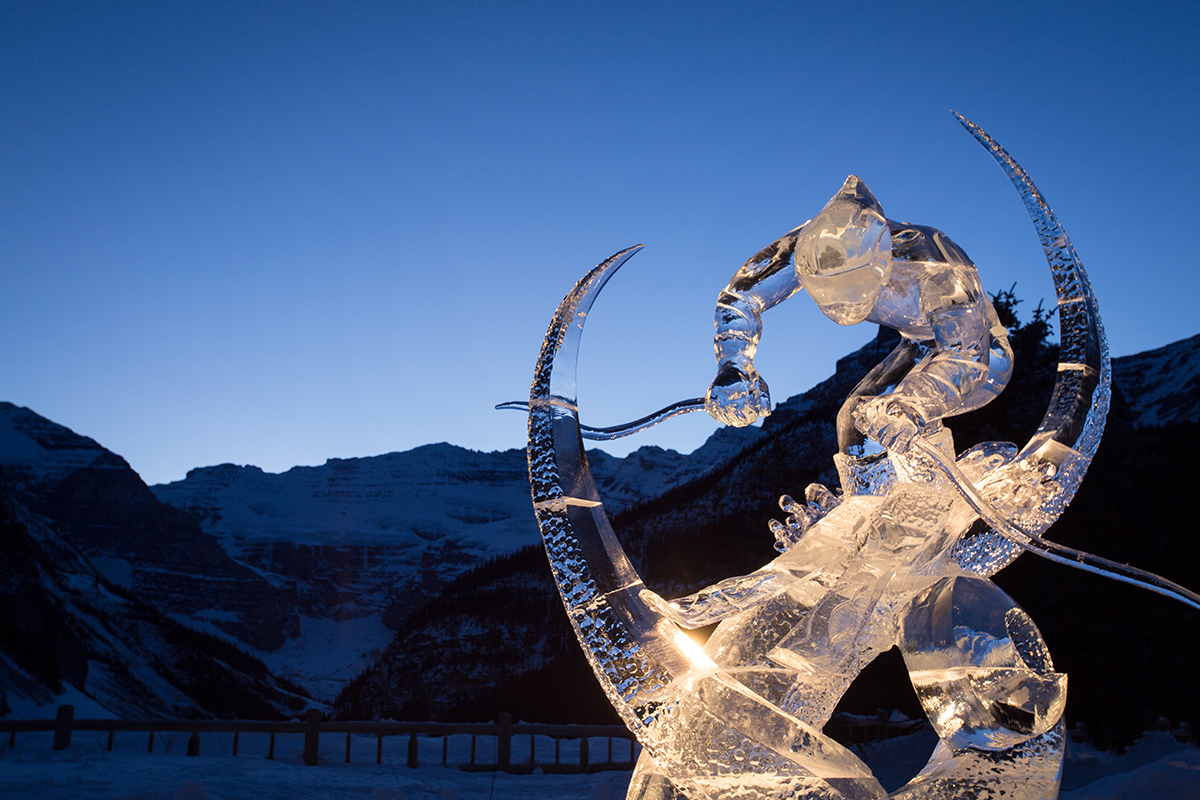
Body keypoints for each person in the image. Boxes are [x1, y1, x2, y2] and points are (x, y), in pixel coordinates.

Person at [705, 176, 1013, 463]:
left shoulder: (934, 266)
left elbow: (968, 357)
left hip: (983, 356)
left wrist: (914, 402)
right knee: (856, 421)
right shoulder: (812, 248)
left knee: (878, 418)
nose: (839, 311)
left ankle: (931, 495)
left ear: (880, 265)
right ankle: (869, 504)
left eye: (850, 294)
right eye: (824, 297)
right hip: (919, 343)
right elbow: (739, 300)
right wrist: (734, 366)